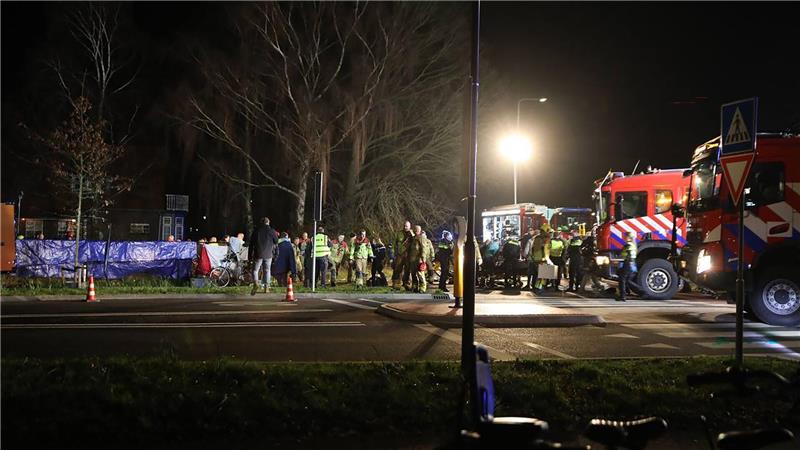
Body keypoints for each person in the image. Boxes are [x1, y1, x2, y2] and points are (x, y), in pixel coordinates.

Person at [249, 217, 278, 295]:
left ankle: (256, 283)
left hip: (258, 254)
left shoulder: (256, 231)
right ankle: (266, 287)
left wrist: (249, 256)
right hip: (268, 254)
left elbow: (251, 245)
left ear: (261, 223)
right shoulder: (272, 231)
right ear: (268, 222)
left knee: (255, 270)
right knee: (267, 270)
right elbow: (276, 241)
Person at [526, 226, 550, 293]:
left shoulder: (537, 239)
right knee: (541, 274)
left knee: (536, 274)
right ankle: (540, 287)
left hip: (536, 258)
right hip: (541, 259)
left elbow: (533, 249)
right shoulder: (542, 239)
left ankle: (536, 286)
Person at [617, 231, 639, 301]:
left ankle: (622, 296)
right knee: (627, 280)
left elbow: (626, 254)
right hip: (631, 263)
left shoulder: (628, 245)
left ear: (629, 237)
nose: (624, 238)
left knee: (622, 280)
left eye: (625, 236)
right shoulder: (633, 245)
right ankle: (640, 292)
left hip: (627, 263)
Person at [391, 221, 413, 290]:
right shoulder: (399, 233)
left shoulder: (412, 234)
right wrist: (392, 253)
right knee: (397, 268)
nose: (405, 227)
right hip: (400, 254)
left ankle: (407, 283)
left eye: (406, 226)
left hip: (408, 255)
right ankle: (396, 283)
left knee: (407, 270)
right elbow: (394, 243)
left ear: (410, 226)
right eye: (404, 226)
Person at [409, 225, 427, 292]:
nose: (416, 231)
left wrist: (423, 259)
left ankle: (422, 287)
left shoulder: (421, 238)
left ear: (420, 230)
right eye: (415, 230)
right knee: (413, 274)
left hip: (419, 259)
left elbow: (424, 248)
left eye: (417, 230)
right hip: (412, 259)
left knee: (420, 274)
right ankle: (415, 287)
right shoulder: (414, 238)